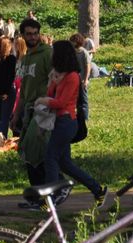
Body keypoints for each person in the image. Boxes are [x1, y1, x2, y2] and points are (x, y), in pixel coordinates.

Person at [37, 40, 107, 202]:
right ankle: (97, 189)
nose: (52, 55)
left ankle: (50, 198)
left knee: (51, 158)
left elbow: (60, 102)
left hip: (66, 122)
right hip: (59, 121)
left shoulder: (73, 77)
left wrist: (42, 101)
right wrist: (52, 82)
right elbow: (51, 94)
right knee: (65, 163)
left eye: (54, 52)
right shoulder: (60, 74)